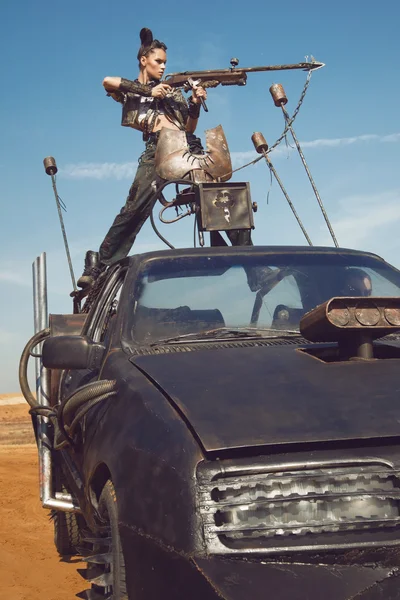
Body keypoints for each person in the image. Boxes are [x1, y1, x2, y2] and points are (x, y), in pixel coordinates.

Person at [77, 27, 208, 290]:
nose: (162, 67)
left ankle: (243, 252)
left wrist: (194, 102)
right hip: (158, 148)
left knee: (218, 195)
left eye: (165, 63)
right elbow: (107, 81)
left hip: (187, 145)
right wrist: (150, 92)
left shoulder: (171, 92)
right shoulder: (134, 91)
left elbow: (190, 127)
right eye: (158, 61)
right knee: (135, 208)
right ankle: (99, 266)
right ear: (143, 60)